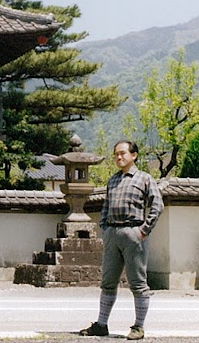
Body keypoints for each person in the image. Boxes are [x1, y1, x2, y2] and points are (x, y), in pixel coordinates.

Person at [79, 140, 164, 340]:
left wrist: (144, 230)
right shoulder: (113, 180)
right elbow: (106, 206)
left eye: (123, 153)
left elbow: (157, 205)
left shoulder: (144, 178)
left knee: (138, 283)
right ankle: (101, 324)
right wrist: (105, 228)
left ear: (133, 155)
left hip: (134, 233)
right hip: (112, 234)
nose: (119, 157)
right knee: (108, 282)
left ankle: (139, 326)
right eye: (116, 154)